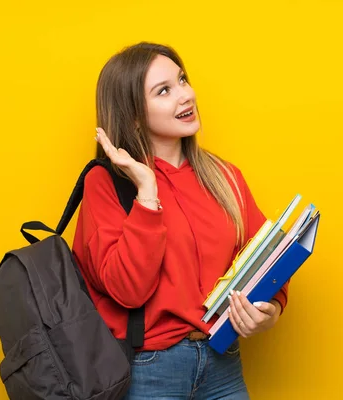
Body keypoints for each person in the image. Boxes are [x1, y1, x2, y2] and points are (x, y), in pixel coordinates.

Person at [72, 42, 289, 400]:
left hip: (223, 365)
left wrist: (272, 310)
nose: (186, 95)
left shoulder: (224, 176)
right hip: (147, 374)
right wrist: (146, 192)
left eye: (183, 80)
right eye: (164, 90)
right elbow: (127, 290)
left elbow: (267, 261)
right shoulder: (106, 183)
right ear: (135, 115)